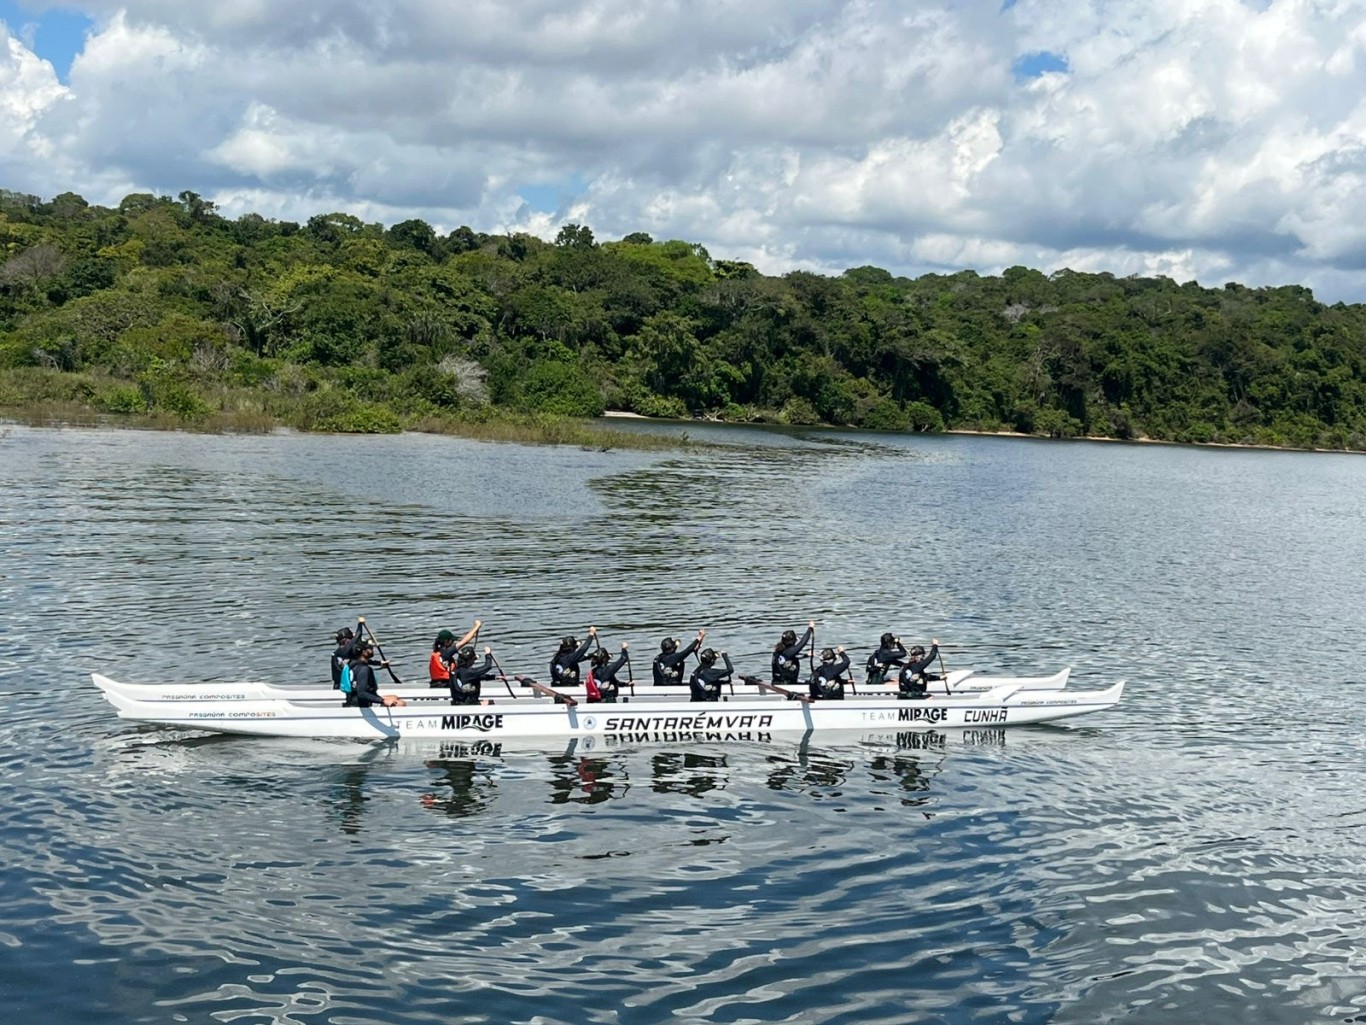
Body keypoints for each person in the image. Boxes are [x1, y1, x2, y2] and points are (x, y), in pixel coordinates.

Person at [346, 638, 407, 709]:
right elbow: (361, 693)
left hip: (357, 699)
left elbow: (368, 661)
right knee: (402, 704)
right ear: (364, 652)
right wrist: (383, 701)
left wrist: (379, 663)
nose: (372, 649)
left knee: (395, 697)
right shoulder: (363, 670)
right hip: (364, 703)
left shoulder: (355, 664)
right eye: (369, 648)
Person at [429, 620, 483, 688]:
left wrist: (473, 633)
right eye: (452, 641)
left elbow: (465, 639)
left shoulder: (437, 653)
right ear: (446, 642)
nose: (453, 643)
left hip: (434, 685)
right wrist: (477, 626)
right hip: (445, 685)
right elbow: (465, 641)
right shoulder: (446, 652)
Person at [772, 621, 814, 687]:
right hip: (786, 685)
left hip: (777, 682)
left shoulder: (780, 651)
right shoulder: (789, 652)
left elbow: (792, 657)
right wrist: (810, 628)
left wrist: (806, 655)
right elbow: (803, 642)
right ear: (793, 642)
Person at [331, 624, 361, 689]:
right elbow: (358, 636)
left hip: (338, 686)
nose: (352, 641)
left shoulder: (335, 654)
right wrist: (360, 625)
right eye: (351, 639)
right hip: (348, 686)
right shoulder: (348, 652)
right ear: (345, 641)